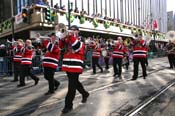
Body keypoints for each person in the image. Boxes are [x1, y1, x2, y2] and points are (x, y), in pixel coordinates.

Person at [59, 25, 89, 114]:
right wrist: (62, 38)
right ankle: (84, 93)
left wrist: (70, 36)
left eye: (73, 30)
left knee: (71, 86)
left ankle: (68, 105)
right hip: (68, 65)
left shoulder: (81, 39)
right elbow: (61, 47)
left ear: (78, 31)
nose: (71, 31)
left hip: (75, 65)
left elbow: (77, 47)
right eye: (70, 30)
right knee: (75, 83)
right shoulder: (68, 38)